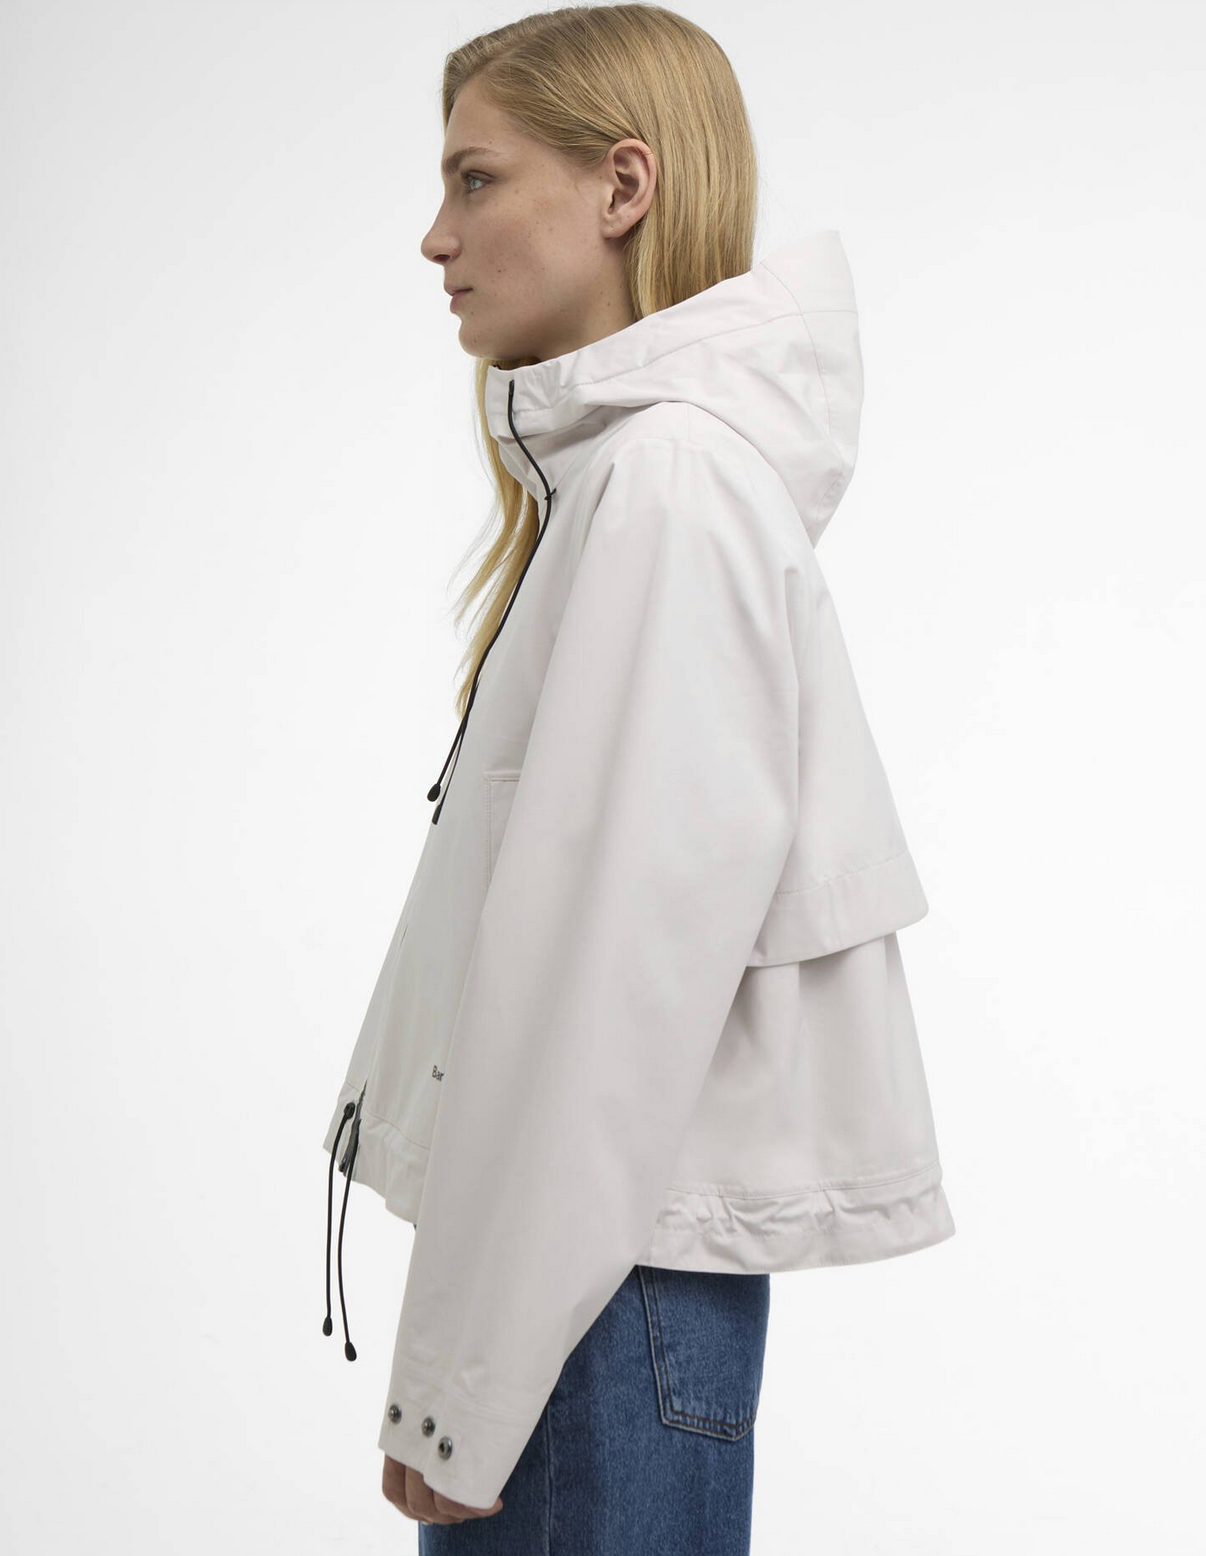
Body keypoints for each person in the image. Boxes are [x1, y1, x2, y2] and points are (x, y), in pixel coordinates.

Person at [318, 6, 955, 1550]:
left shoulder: (666, 483)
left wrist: (465, 1381)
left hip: (595, 1305)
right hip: (591, 1281)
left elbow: (612, 973)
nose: (435, 236)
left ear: (620, 187)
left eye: (475, 179)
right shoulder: (632, 478)